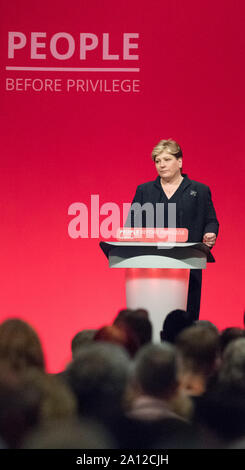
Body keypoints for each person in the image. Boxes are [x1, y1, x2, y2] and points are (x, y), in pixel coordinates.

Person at [125, 139, 219, 319]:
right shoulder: (144, 191)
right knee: (151, 317)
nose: (161, 165)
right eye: (157, 161)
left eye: (167, 159)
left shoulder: (199, 190)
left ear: (180, 162)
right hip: (150, 265)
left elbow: (211, 220)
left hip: (187, 263)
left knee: (187, 318)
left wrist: (210, 233)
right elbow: (132, 224)